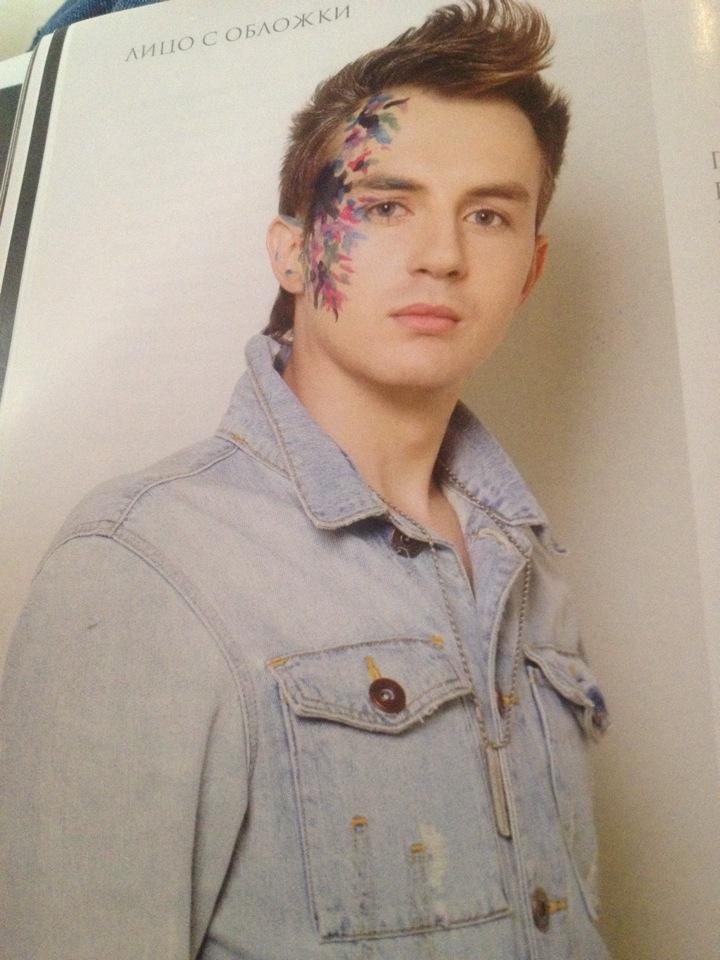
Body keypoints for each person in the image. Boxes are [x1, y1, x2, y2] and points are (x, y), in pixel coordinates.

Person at [0, 1, 611, 958]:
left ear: (529, 271)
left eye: (487, 215)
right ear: (292, 253)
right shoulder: (141, 566)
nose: (443, 256)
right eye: (385, 206)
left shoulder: (526, 563)